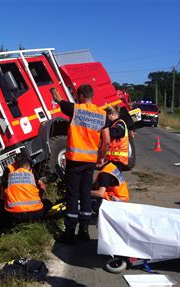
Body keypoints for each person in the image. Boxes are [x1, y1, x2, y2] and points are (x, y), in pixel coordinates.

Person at [51, 84, 110, 244]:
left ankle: (70, 232)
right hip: (90, 162)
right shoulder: (102, 114)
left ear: (81, 95)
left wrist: (54, 90)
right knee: (85, 194)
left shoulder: (75, 109)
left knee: (72, 194)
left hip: (75, 160)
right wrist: (100, 157)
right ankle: (84, 231)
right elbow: (107, 141)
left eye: (77, 96)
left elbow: (58, 99)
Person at [0, 152, 50, 227]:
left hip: (15, 215)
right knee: (48, 203)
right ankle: (41, 221)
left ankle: (6, 226)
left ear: (15, 163)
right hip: (36, 212)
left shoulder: (9, 171)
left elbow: (2, 195)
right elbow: (42, 186)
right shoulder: (31, 170)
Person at [105, 106, 129, 171]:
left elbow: (115, 133)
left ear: (112, 115)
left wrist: (106, 127)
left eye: (107, 116)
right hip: (112, 159)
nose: (107, 118)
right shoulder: (113, 124)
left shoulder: (120, 123)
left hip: (118, 159)